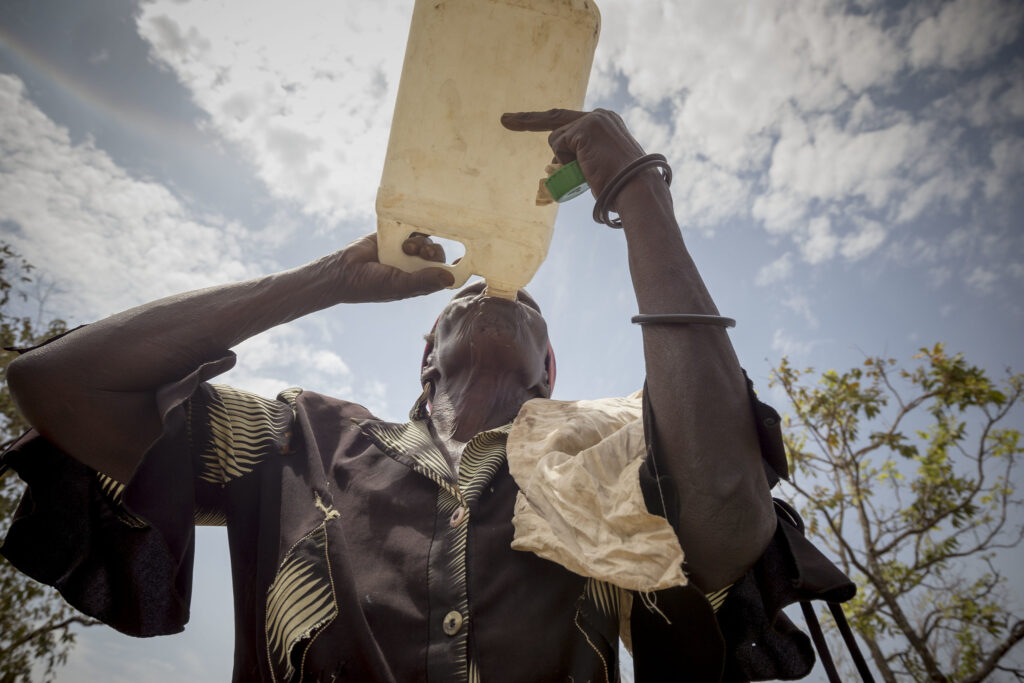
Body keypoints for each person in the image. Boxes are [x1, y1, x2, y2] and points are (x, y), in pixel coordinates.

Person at [1, 109, 852, 681]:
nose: (499, 292)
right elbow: (58, 384)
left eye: (531, 308)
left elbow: (731, 516)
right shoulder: (300, 437)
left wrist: (639, 190)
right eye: (464, 298)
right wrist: (327, 277)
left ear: (549, 372)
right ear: (425, 357)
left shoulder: (613, 460)